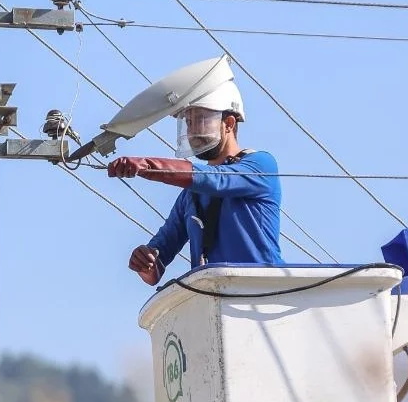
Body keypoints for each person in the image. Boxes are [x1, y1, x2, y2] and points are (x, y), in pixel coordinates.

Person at [107, 81, 283, 285]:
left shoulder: (260, 164)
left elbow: (218, 180)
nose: (192, 130)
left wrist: (147, 165)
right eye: (189, 122)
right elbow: (158, 261)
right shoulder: (191, 195)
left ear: (229, 124)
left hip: (264, 294)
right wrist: (145, 262)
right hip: (216, 298)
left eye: (200, 119)